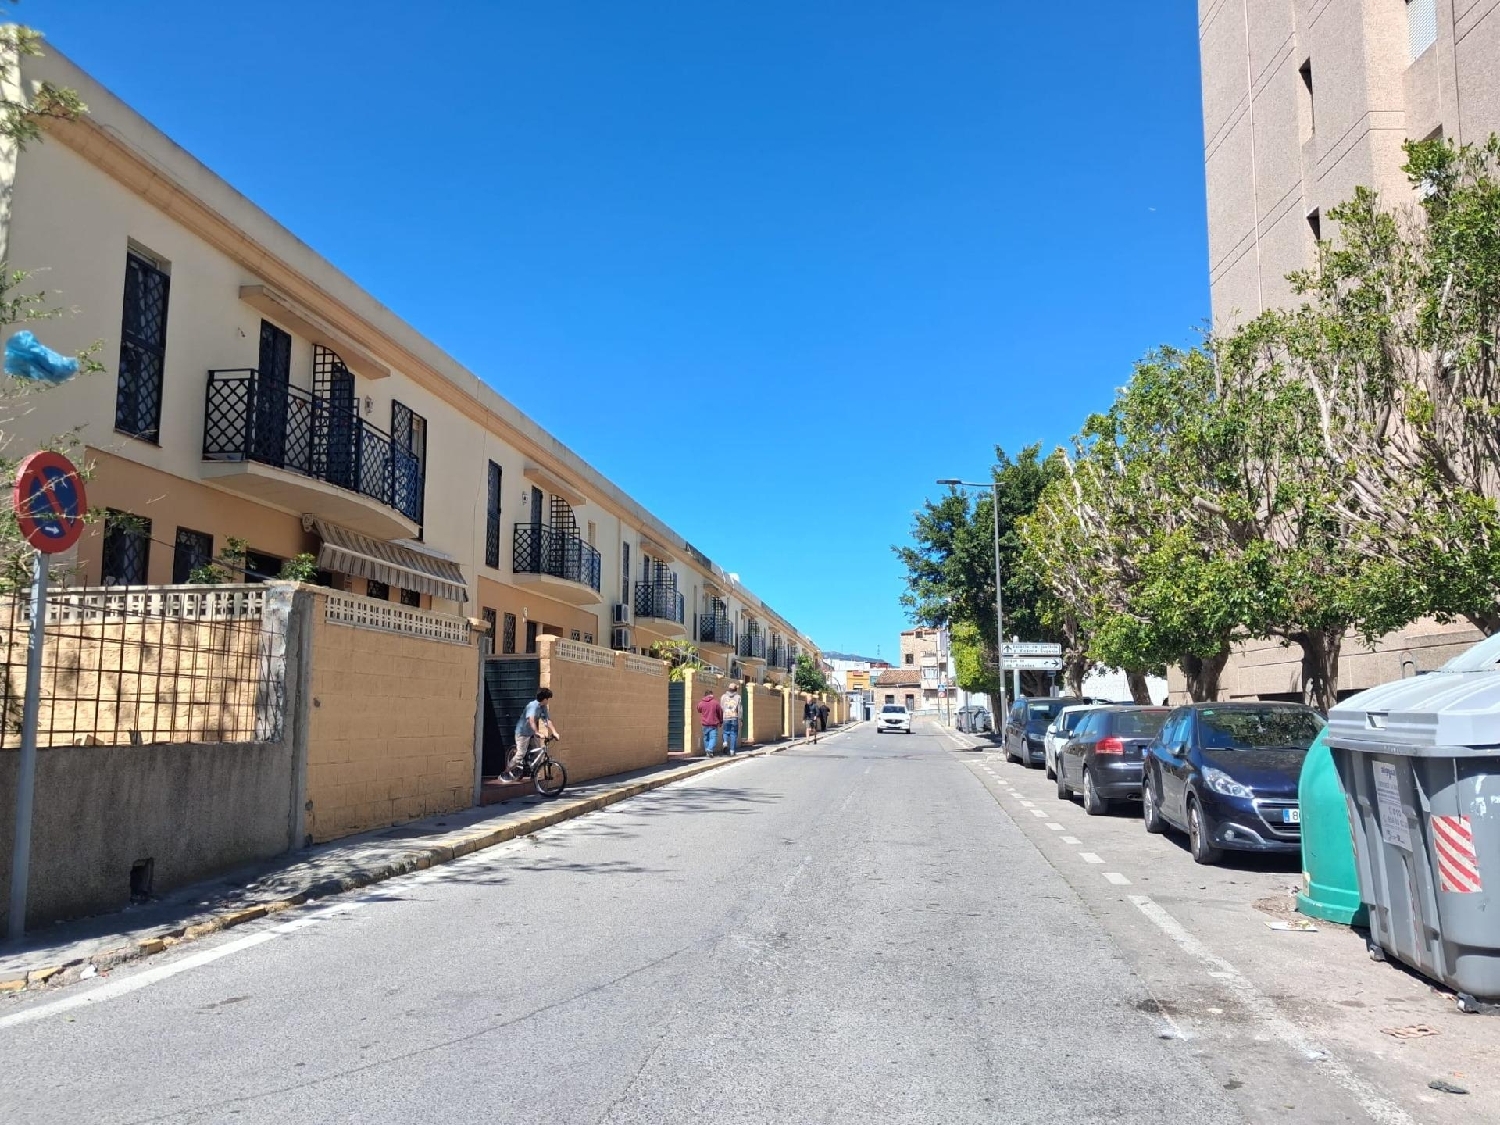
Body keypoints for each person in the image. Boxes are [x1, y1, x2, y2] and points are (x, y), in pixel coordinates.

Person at [507, 687, 557, 781]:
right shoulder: (532, 706)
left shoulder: (543, 707)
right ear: (545, 699)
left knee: (539, 752)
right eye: (548, 699)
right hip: (522, 733)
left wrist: (554, 732)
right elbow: (531, 720)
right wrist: (538, 732)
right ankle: (506, 771)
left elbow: (547, 720)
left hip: (532, 733)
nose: (548, 701)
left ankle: (534, 773)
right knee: (520, 754)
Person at [697, 688, 724, 757]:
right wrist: (721, 721)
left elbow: (699, 709)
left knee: (706, 738)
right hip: (713, 723)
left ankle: (708, 752)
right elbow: (720, 712)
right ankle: (709, 749)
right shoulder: (715, 703)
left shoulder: (701, 703)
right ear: (711, 695)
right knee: (713, 738)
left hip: (704, 723)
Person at [720, 682, 742, 755]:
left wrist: (722, 715)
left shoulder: (723, 696)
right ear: (735, 689)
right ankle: (732, 751)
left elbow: (721, 707)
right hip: (734, 717)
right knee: (733, 734)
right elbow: (740, 709)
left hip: (726, 717)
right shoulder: (738, 697)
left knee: (725, 732)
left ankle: (725, 742)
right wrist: (741, 719)